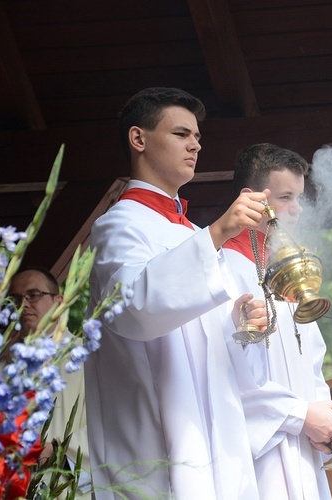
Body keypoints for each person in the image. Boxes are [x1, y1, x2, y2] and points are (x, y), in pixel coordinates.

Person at [85, 87, 271, 499]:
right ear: (139, 139)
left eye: (198, 138)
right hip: (156, 441)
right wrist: (220, 232)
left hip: (214, 439)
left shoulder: (190, 234)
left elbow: (213, 348)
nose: (195, 145)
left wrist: (243, 327)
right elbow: (135, 308)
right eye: (182, 134)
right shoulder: (118, 225)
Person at [222, 143, 332, 499]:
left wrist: (326, 421)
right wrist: (302, 416)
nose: (297, 209)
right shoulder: (221, 269)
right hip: (257, 453)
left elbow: (311, 364)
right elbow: (224, 376)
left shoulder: (289, 275)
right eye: (285, 197)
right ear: (250, 197)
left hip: (302, 448)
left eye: (299, 197)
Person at [8, 267, 92, 497]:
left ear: (58, 302)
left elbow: (109, 423)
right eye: (16, 299)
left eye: (33, 295)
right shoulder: (3, 365)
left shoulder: (86, 358)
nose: (23, 304)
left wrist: (57, 450)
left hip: (60, 483)